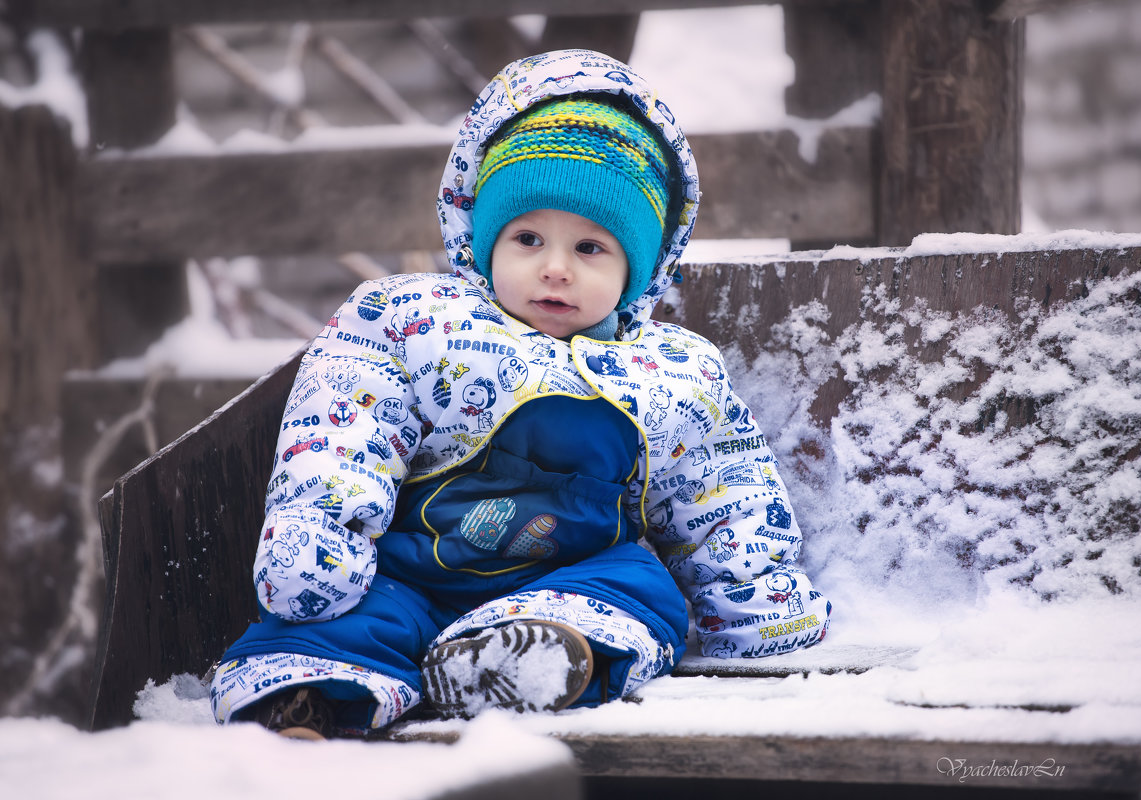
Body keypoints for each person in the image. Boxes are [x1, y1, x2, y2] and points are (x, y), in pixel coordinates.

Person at [210, 48, 831, 739]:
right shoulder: (415, 322)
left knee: (643, 586)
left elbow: (721, 488)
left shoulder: (675, 367)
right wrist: (319, 535)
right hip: (413, 575)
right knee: (349, 623)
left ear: (639, 267)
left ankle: (532, 661)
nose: (555, 269)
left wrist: (754, 600)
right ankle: (306, 703)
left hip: (565, 585)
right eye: (528, 238)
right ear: (483, 242)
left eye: (591, 248)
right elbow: (342, 428)